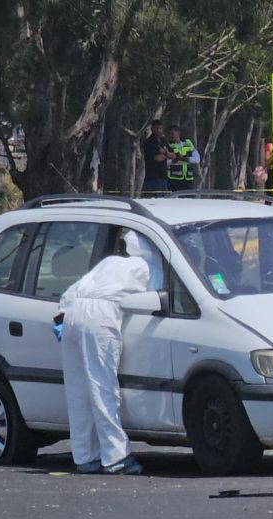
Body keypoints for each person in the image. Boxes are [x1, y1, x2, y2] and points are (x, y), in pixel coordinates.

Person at [58, 231, 154, 475]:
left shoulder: (110, 262)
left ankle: (85, 456)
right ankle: (115, 457)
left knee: (78, 390)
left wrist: (62, 316)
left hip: (73, 314)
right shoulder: (147, 266)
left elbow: (71, 292)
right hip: (100, 316)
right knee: (102, 387)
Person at [166, 125, 201, 192]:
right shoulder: (167, 145)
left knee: (188, 200)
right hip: (173, 179)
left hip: (188, 179)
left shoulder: (187, 143)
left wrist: (187, 159)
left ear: (178, 133)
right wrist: (173, 161)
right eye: (169, 133)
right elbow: (164, 161)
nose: (170, 135)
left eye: (172, 133)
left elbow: (197, 159)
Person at [142, 120, 172, 196]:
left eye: (160, 128)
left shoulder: (163, 140)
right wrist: (166, 154)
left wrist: (165, 153)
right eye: (156, 128)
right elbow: (157, 159)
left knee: (163, 202)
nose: (158, 130)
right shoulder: (149, 142)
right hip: (152, 177)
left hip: (163, 177)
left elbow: (174, 155)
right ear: (152, 129)